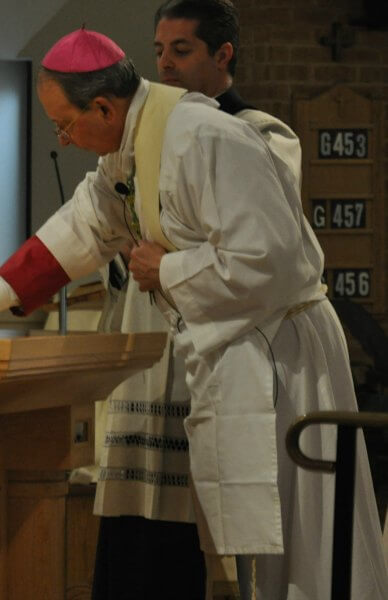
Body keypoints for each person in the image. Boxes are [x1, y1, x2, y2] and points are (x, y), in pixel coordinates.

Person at [0, 25, 388, 600]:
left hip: (284, 358)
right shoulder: (132, 147)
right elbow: (75, 231)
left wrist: (165, 270)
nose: (64, 139)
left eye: (65, 125)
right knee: (268, 551)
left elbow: (273, 260)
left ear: (103, 106)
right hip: (243, 353)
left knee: (308, 542)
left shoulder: (205, 138)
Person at [92, 2, 310, 599]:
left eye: (182, 50)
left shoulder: (259, 134)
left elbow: (260, 249)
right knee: (136, 522)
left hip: (218, 343)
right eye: (159, 51)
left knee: (201, 523)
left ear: (223, 54)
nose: (165, 64)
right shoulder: (143, 139)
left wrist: (166, 261)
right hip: (148, 338)